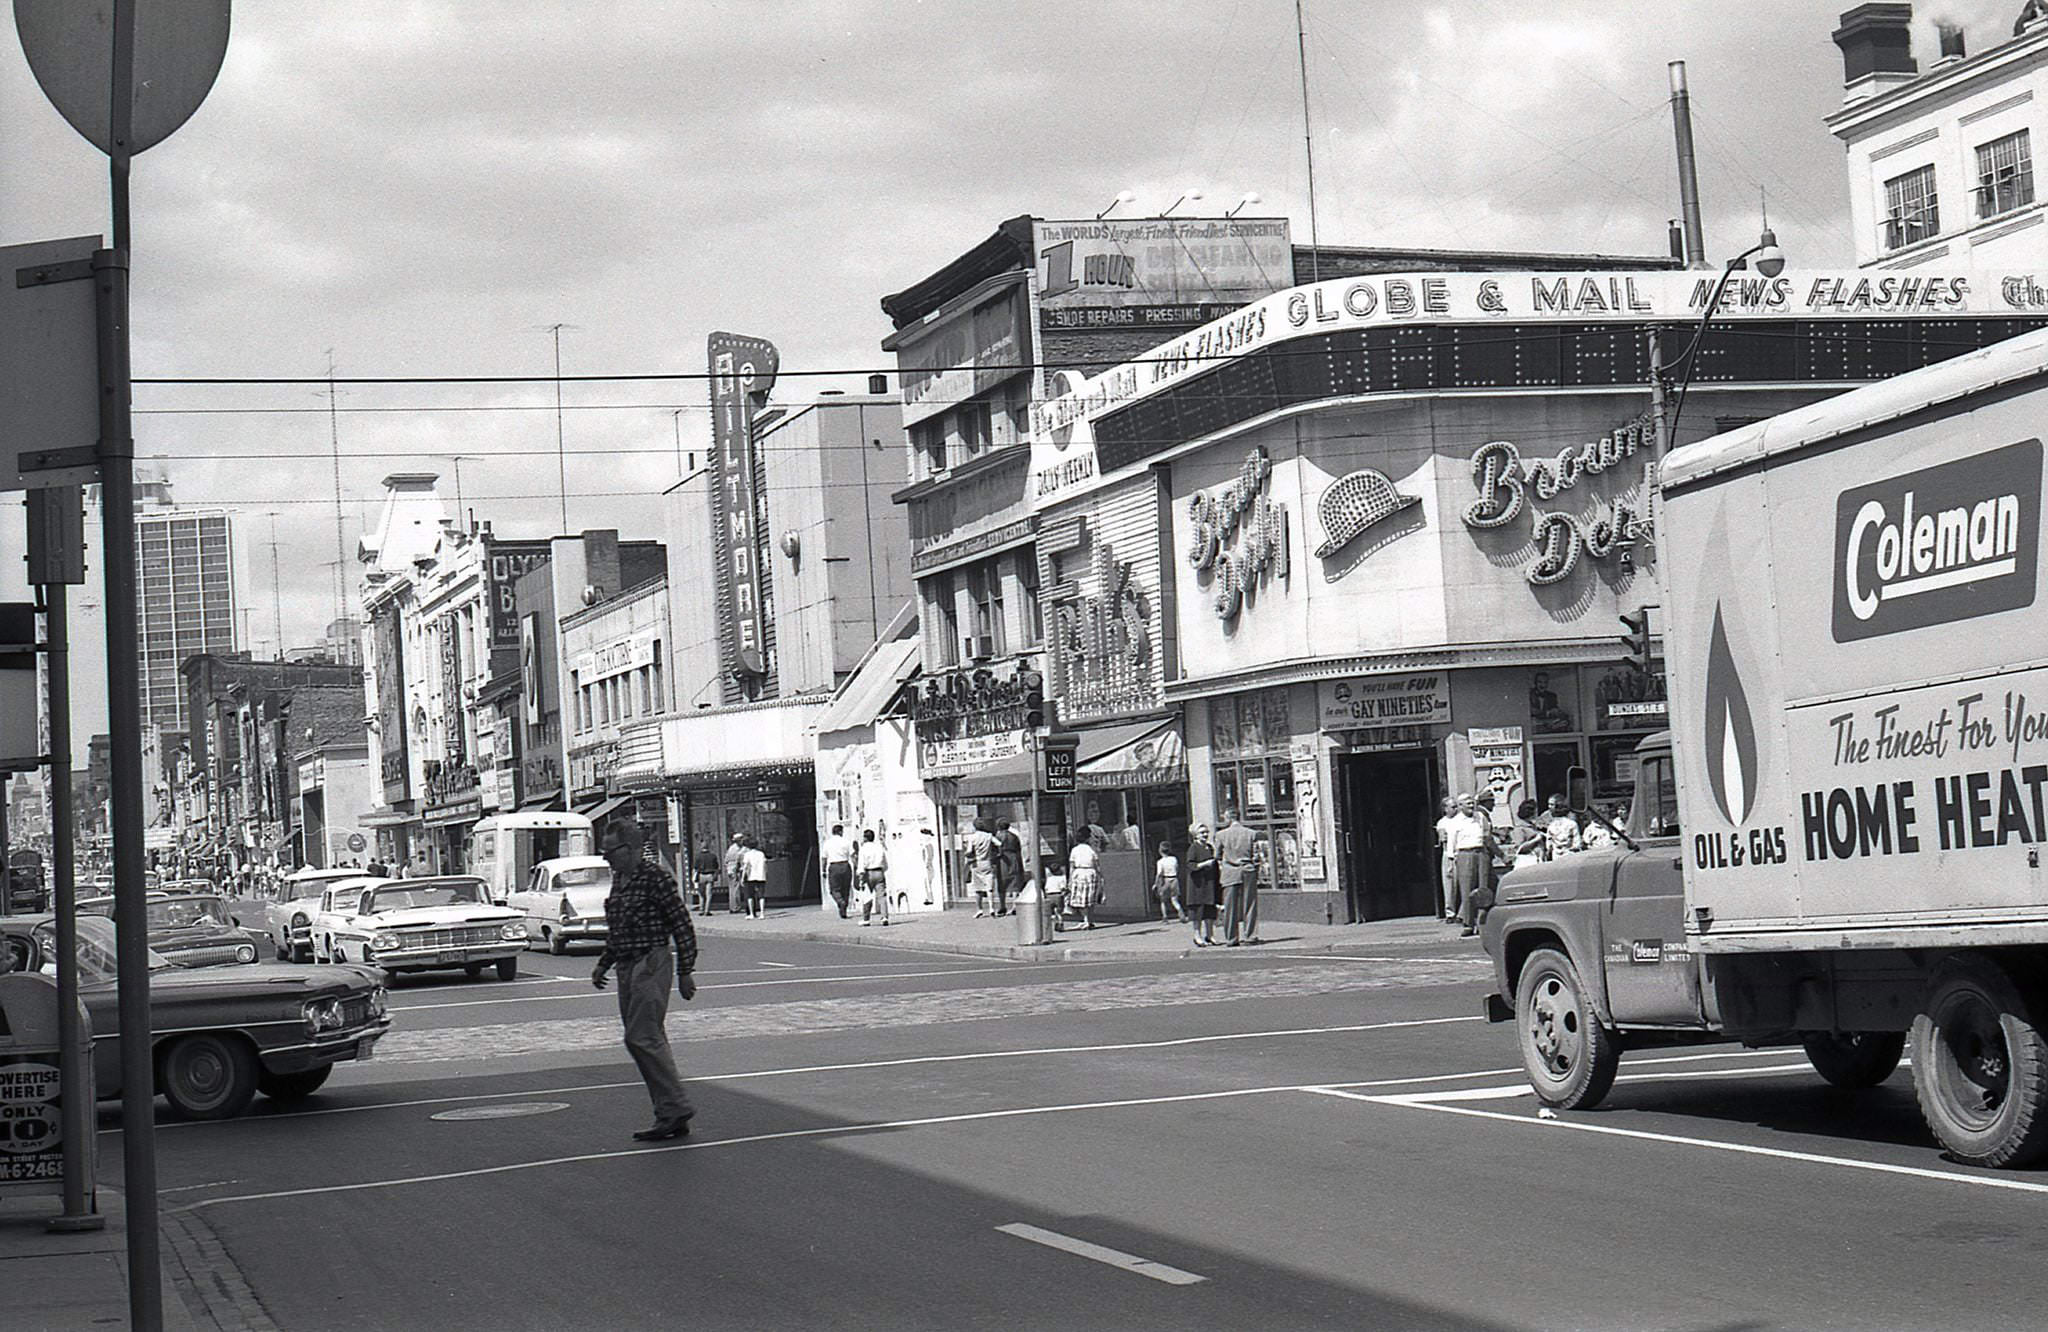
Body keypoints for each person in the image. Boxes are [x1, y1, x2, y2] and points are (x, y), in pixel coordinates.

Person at [589, 818, 697, 1142]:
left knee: (641, 1037)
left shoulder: (655, 878)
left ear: (632, 849)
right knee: (648, 1039)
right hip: (626, 965)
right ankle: (668, 1113)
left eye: (611, 851)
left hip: (651, 961)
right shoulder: (619, 880)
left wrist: (685, 971)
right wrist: (603, 964)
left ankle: (676, 1105)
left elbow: (681, 923)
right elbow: (619, 929)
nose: (606, 858)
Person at [1447, 792, 1497, 937]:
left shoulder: (1480, 817)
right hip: (1464, 854)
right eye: (1467, 804)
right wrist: (1452, 859)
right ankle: (1468, 924)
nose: (1471, 806)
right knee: (1467, 889)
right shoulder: (1455, 822)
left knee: (1483, 888)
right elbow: (1452, 842)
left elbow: (1487, 835)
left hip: (1481, 852)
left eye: (1471, 803)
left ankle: (1482, 922)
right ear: (1460, 806)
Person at [1213, 808, 1260, 946]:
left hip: (1229, 872)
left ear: (1228, 818)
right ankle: (1250, 936)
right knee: (1249, 904)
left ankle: (1231, 938)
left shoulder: (1221, 835)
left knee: (1230, 906)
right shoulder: (1251, 834)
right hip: (1247, 870)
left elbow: (1217, 855)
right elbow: (1257, 855)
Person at [1183, 823, 1220, 947]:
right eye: (1202, 833)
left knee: (1209, 910)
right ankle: (1197, 936)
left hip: (1209, 883)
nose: (1205, 835)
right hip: (1197, 885)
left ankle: (1210, 935)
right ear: (1195, 835)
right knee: (1197, 912)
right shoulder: (1193, 848)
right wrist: (1205, 864)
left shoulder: (1209, 847)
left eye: (1206, 832)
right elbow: (1191, 865)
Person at [1065, 831, 1101, 930]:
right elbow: (1097, 865)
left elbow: (1071, 866)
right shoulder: (1091, 850)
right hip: (1090, 873)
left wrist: (1070, 879)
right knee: (1090, 898)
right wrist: (1101, 877)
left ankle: (1085, 919)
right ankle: (1089, 920)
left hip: (1079, 873)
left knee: (1080, 898)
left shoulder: (1074, 850)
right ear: (1087, 838)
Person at [966, 816, 1001, 918]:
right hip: (987, 862)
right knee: (989, 887)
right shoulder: (988, 836)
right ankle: (991, 908)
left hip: (977, 863)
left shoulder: (972, 837)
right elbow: (999, 843)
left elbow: (969, 851)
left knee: (978, 889)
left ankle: (979, 909)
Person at [1432, 796, 1459, 922]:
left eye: (1457, 806)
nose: (1456, 809)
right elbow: (1442, 838)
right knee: (1449, 885)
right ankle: (1450, 912)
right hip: (1449, 855)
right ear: (1445, 809)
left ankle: (1463, 912)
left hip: (1462, 853)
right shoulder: (1442, 822)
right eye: (1453, 807)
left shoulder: (1462, 819)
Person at [856, 828, 889, 926]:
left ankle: (866, 919)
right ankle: (884, 917)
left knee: (867, 897)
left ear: (865, 838)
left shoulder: (863, 848)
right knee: (881, 896)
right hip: (879, 872)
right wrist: (883, 870)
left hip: (868, 873)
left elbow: (861, 863)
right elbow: (885, 862)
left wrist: (861, 876)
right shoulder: (879, 847)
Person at [821, 823, 854, 919]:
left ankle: (840, 902)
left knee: (834, 889)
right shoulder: (846, 842)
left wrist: (823, 870)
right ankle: (844, 910)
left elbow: (824, 858)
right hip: (845, 865)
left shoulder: (828, 843)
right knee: (846, 889)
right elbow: (852, 855)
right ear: (840, 832)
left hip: (834, 866)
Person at [995, 819, 1026, 917]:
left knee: (1002, 882)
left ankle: (1002, 905)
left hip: (1003, 860)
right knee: (1014, 882)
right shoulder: (1014, 836)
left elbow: (995, 850)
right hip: (1013, 858)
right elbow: (1019, 849)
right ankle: (1014, 906)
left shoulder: (998, 837)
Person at [1543, 793, 1583, 860]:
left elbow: (1549, 846)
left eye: (1552, 804)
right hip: (1570, 856)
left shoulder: (1551, 826)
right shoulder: (1572, 824)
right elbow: (1577, 844)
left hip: (1556, 857)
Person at [1152, 841, 1183, 922]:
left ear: (1160, 850)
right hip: (1174, 879)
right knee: (1174, 899)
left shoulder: (1160, 862)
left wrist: (1155, 884)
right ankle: (1180, 911)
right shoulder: (1174, 859)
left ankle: (1165, 917)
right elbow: (1177, 868)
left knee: (1163, 900)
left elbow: (1159, 874)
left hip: (1166, 880)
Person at [739, 833, 768, 918]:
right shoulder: (761, 854)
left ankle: (751, 913)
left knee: (750, 895)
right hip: (761, 875)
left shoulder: (747, 854)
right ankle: (762, 913)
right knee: (761, 895)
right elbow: (765, 864)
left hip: (751, 876)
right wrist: (765, 873)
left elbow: (746, 866)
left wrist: (742, 877)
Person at [1512, 798, 1547, 868]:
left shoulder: (1532, 826)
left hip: (1538, 859)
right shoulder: (1520, 828)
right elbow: (1520, 848)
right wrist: (1536, 839)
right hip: (1528, 861)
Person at [721, 831, 746, 914]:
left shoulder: (731, 848)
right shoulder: (738, 850)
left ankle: (732, 906)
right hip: (735, 870)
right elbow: (740, 861)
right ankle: (736, 907)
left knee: (732, 889)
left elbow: (726, 860)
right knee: (735, 889)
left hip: (730, 870)